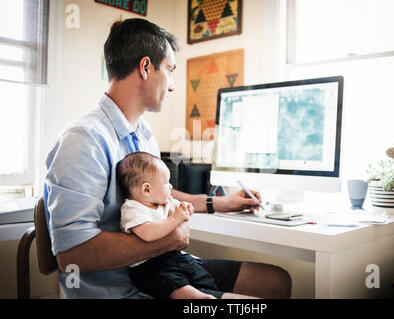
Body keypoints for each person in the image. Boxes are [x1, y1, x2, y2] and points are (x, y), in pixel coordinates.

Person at [44, 18, 291, 299]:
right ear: (146, 67)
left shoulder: (142, 132)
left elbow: (159, 193)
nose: (172, 86)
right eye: (170, 71)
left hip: (165, 266)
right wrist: (165, 242)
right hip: (124, 289)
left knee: (275, 282)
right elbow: (72, 254)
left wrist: (222, 203)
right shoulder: (83, 141)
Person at [118, 151, 229, 299]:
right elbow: (148, 234)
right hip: (150, 266)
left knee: (198, 273)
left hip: (173, 257)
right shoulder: (133, 209)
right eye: (166, 183)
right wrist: (175, 219)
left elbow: (177, 208)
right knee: (170, 283)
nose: (171, 187)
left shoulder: (163, 202)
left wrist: (184, 207)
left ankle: (206, 290)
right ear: (147, 189)